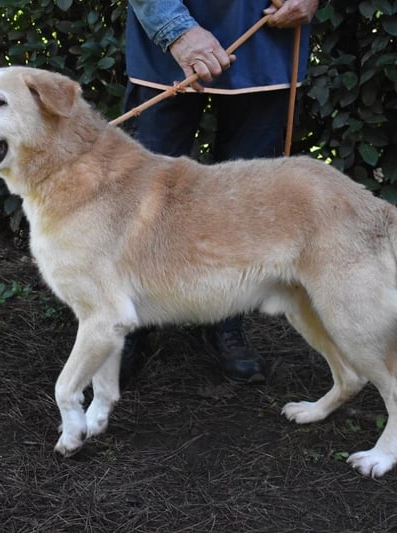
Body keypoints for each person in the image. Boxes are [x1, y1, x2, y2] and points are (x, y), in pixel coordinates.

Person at [120, 0, 318, 386]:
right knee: (143, 200)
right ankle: (127, 322)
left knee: (246, 205)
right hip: (166, 50)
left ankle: (225, 319)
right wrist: (175, 30)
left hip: (269, 41)